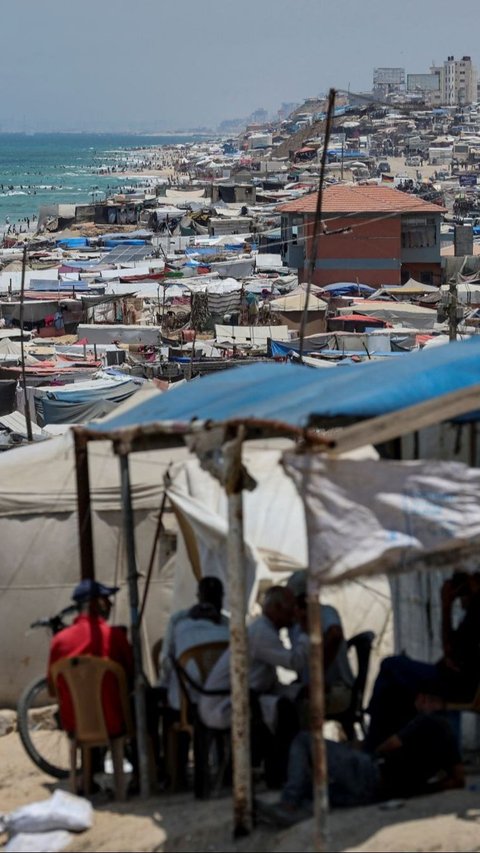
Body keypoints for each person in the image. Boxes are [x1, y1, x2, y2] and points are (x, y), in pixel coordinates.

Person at [259, 688, 464, 827]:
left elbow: (391, 744)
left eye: (420, 699)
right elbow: (458, 779)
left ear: (429, 700)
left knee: (304, 740)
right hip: (377, 795)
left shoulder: (427, 721)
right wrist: (423, 788)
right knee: (319, 793)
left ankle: (288, 804)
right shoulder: (450, 738)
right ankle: (293, 810)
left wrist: (370, 752)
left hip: (371, 773)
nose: (417, 703)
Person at [199, 585, 309, 786]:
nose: (293, 615)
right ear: (276, 608)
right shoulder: (261, 633)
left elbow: (266, 681)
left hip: (243, 696)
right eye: (290, 610)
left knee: (290, 702)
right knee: (284, 712)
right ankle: (280, 775)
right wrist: (304, 631)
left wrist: (297, 690)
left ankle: (289, 770)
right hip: (224, 702)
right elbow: (294, 662)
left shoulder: (263, 630)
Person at [366, 570, 480, 750]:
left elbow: (449, 650)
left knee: (391, 665)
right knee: (394, 686)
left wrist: (446, 606)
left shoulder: (476, 613)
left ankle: (373, 742)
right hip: (451, 679)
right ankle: (386, 743)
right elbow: (450, 650)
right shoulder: (472, 616)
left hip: (458, 684)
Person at [47, 579, 133, 736]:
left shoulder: (59, 641)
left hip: (75, 725)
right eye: (107, 600)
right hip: (113, 723)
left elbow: (53, 690)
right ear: (99, 603)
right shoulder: (115, 636)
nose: (110, 605)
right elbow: (131, 676)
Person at [286, 570, 354, 717]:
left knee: (288, 714)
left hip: (336, 689)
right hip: (312, 689)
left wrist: (318, 674)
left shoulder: (325, 612)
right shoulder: (294, 624)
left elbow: (335, 634)